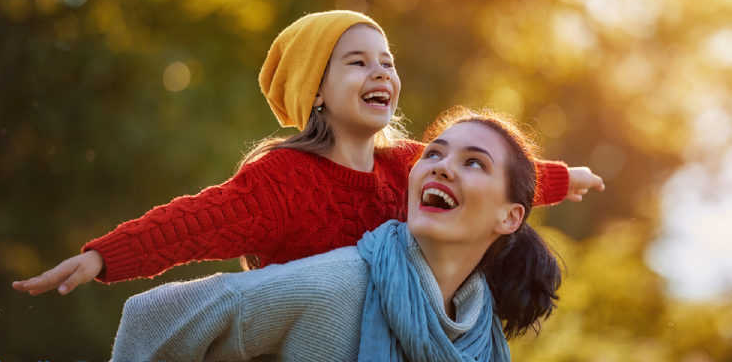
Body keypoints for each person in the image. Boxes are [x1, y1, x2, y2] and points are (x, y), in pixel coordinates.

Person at [12, 10, 602, 297]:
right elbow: (193, 223)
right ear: (315, 91)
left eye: (387, 62)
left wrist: (559, 178)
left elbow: (483, 176)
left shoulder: (408, 164)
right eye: (358, 61)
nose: (381, 72)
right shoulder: (282, 181)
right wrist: (104, 258)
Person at [110, 107, 563, 362]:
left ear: (509, 218)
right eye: (434, 153)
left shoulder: (482, 334)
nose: (442, 165)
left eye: (473, 162)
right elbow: (151, 317)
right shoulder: (338, 286)